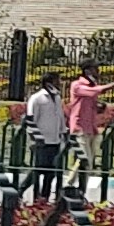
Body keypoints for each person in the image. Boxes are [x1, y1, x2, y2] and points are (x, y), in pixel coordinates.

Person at [21, 70, 71, 200]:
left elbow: (60, 117)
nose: (59, 83)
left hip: (55, 140)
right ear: (49, 83)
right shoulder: (37, 98)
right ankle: (22, 190)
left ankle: (45, 197)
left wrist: (63, 132)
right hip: (41, 140)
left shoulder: (57, 98)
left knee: (51, 171)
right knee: (38, 169)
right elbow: (30, 119)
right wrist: (36, 137)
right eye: (56, 80)